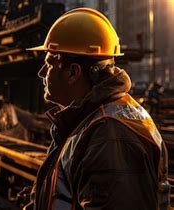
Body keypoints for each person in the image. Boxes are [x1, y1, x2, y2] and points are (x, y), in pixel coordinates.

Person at [23, 8, 170, 210]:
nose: (41, 73)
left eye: (49, 64)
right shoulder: (88, 122)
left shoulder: (110, 135)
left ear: (73, 73)